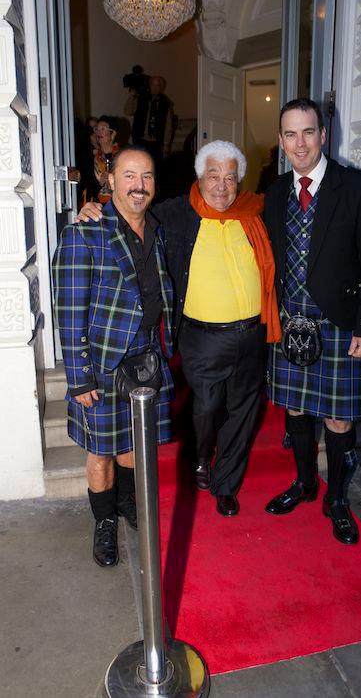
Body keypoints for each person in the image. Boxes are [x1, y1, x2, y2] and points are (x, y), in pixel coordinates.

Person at [77, 140, 281, 518]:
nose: (221, 186)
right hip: (202, 336)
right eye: (213, 176)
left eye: (230, 178)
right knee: (206, 407)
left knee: (244, 411)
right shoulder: (175, 214)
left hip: (254, 333)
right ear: (199, 177)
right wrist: (97, 208)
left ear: (240, 182)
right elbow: (132, 209)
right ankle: (202, 455)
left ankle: (226, 484)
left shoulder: (255, 213)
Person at [263, 98, 361, 545]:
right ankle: (304, 482)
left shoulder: (358, 187)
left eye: (309, 132)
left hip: (337, 323)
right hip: (288, 321)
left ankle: (336, 498)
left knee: (338, 420)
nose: (300, 143)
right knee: (295, 410)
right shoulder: (275, 191)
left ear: (323, 135)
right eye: (291, 134)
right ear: (281, 140)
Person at [53, 146, 174, 567]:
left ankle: (127, 504)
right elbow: (69, 309)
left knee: (134, 444)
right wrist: (80, 375)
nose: (139, 185)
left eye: (147, 176)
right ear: (110, 181)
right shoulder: (85, 231)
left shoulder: (157, 229)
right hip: (102, 364)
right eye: (129, 176)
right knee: (101, 450)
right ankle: (104, 523)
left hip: (147, 358)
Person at [127, 75, 174, 173]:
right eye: (153, 85)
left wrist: (166, 143)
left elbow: (168, 125)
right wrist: (132, 96)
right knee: (139, 166)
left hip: (156, 142)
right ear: (149, 85)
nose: (155, 88)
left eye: (158, 85)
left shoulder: (165, 103)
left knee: (154, 168)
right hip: (140, 139)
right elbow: (128, 111)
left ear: (161, 87)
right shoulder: (141, 98)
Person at [79, 116, 119, 206]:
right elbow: (86, 184)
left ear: (113, 133)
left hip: (117, 205)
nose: (98, 132)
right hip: (96, 206)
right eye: (96, 129)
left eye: (103, 129)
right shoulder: (92, 157)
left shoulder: (121, 156)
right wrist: (100, 183)